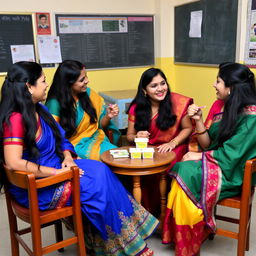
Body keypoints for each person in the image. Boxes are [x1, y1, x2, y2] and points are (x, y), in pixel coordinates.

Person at [0, 61, 159, 256]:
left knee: (102, 171)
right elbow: (13, 162)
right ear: (28, 86)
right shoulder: (15, 119)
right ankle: (117, 246)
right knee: (96, 186)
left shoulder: (38, 109)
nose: (46, 85)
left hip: (57, 169)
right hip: (39, 187)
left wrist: (68, 157)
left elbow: (61, 138)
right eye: (42, 81)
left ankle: (115, 239)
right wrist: (58, 172)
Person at [162, 62, 256, 256]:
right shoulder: (224, 106)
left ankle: (189, 237)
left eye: (219, 81)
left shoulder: (252, 117)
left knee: (185, 171)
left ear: (231, 88)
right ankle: (190, 235)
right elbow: (208, 144)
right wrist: (198, 120)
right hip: (219, 164)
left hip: (233, 174)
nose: (214, 85)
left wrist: (199, 155)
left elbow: (231, 157)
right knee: (183, 168)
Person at [126, 68, 193, 214]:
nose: (160, 89)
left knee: (169, 166)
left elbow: (187, 128)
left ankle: (168, 213)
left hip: (173, 146)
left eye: (163, 83)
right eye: (154, 86)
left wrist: (172, 143)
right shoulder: (136, 107)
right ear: (144, 90)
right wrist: (137, 137)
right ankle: (145, 213)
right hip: (147, 148)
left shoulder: (178, 103)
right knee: (135, 170)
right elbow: (129, 135)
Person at [46, 60, 120, 160]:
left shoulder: (89, 94)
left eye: (86, 76)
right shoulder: (54, 103)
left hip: (96, 140)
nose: (87, 81)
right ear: (68, 83)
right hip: (71, 147)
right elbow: (53, 136)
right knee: (103, 161)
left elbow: (100, 125)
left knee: (118, 156)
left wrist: (108, 116)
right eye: (82, 80)